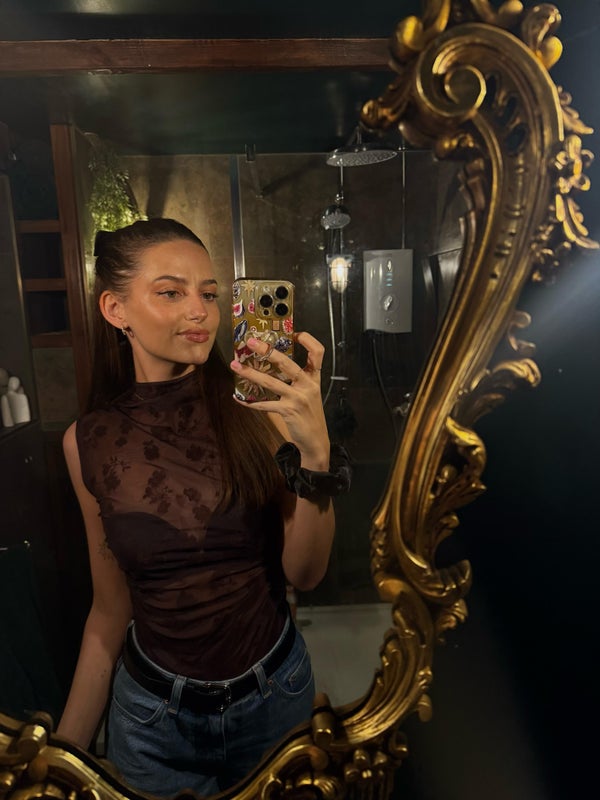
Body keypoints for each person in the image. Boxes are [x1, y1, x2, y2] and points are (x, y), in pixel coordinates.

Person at [56, 218, 351, 797]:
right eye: (171, 292)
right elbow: (109, 612)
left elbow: (306, 574)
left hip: (274, 698)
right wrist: (61, 763)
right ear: (116, 309)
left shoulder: (260, 412)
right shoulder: (86, 442)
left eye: (210, 294)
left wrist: (315, 454)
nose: (200, 311)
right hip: (151, 723)